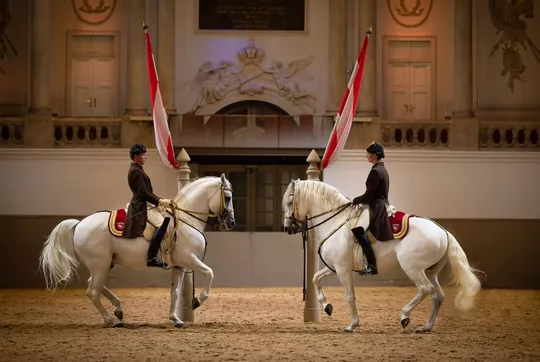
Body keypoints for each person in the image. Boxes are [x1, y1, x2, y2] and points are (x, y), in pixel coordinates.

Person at [122, 143, 171, 268]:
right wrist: (159, 201)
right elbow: (143, 193)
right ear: (136, 155)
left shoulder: (138, 169)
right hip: (141, 205)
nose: (145, 157)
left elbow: (147, 192)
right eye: (143, 154)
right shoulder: (135, 171)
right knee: (161, 224)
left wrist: (158, 201)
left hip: (147, 203)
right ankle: (152, 257)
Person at [351, 141, 394, 276]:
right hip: (380, 204)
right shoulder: (382, 169)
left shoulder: (376, 171)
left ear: (374, 155)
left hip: (376, 207)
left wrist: (354, 200)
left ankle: (371, 265)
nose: (366, 156)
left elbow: (369, 195)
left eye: (368, 153)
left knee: (358, 231)